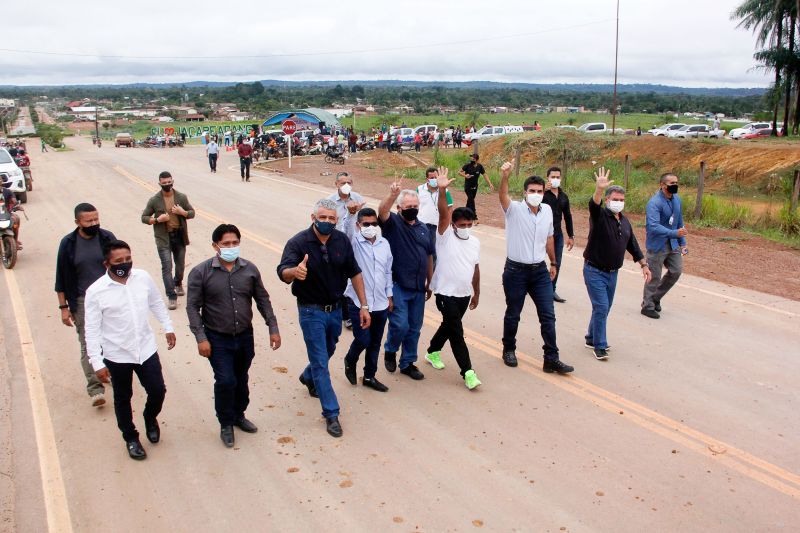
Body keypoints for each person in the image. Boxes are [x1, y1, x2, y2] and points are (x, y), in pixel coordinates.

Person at [277, 199, 370, 438]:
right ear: (313, 218)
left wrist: (364, 305)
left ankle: (307, 376)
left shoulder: (341, 241)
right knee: (320, 361)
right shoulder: (298, 243)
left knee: (329, 348)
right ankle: (331, 413)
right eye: (322, 217)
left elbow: (355, 272)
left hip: (336, 310)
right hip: (311, 311)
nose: (327, 222)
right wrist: (294, 272)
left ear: (336, 220)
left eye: (331, 218)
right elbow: (283, 272)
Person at [187, 224, 281, 448]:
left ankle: (239, 414)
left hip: (244, 336)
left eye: (235, 243)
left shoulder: (249, 269)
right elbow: (192, 307)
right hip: (217, 338)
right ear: (215, 246)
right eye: (226, 244)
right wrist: (201, 338)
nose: (231, 247)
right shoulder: (201, 272)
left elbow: (262, 299)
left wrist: (273, 327)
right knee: (226, 380)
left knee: (241, 378)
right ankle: (226, 423)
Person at [84, 240, 175, 460]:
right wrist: (97, 362)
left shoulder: (142, 278)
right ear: (107, 263)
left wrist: (168, 327)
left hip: (146, 349)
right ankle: (131, 438)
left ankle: (150, 417)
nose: (124, 264)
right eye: (118, 261)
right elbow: (92, 330)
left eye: (127, 259)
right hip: (117, 355)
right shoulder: (95, 292)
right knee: (123, 398)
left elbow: (156, 303)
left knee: (157, 390)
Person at [498, 160, 574, 374]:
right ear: (524, 192)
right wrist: (505, 177)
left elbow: (549, 237)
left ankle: (551, 358)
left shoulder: (548, 210)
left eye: (539, 191)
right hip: (516, 271)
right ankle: (508, 349)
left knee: (548, 315)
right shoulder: (514, 210)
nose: (536, 194)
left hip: (539, 270)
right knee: (514, 312)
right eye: (532, 190)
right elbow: (502, 196)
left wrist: (553, 262)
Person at [583, 168, 651, 360]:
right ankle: (600, 345)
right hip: (594, 270)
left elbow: (632, 244)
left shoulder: (624, 221)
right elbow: (593, 205)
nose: (618, 203)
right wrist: (598, 188)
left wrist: (644, 264)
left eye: (622, 200)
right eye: (615, 199)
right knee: (602, 306)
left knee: (603, 307)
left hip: (613, 273)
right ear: (606, 200)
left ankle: (590, 336)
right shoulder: (600, 216)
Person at [423, 171, 482, 389]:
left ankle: (432, 351)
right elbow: (442, 214)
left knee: (449, 326)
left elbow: (475, 268)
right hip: (445, 293)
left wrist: (477, 292)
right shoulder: (444, 235)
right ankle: (468, 372)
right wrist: (441, 189)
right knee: (457, 332)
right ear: (454, 224)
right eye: (462, 224)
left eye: (469, 224)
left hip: (464, 294)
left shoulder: (475, 242)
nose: (466, 228)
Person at [55, 203, 116, 407]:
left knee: (112, 339)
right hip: (82, 301)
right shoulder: (68, 244)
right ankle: (95, 388)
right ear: (77, 222)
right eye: (89, 221)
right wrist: (64, 308)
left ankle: (113, 374)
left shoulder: (107, 238)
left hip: (109, 298)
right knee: (88, 343)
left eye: (96, 219)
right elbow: (61, 278)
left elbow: (120, 267)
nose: (94, 223)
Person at [378, 180, 434, 381]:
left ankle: (408, 362)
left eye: (415, 206)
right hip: (398, 284)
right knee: (400, 325)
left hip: (418, 287)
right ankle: (391, 349)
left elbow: (428, 255)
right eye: (408, 207)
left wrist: (430, 282)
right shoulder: (393, 224)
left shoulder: (423, 228)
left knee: (414, 328)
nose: (412, 210)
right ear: (399, 208)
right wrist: (392, 194)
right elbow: (382, 211)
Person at [340, 207, 393, 392]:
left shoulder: (384, 244)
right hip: (357, 301)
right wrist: (350, 213)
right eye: (366, 224)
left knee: (376, 342)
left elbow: (388, 271)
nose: (370, 227)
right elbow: (345, 230)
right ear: (359, 225)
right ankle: (350, 359)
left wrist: (389, 295)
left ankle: (369, 376)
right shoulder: (353, 242)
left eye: (374, 224)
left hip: (380, 302)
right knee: (363, 339)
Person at [141, 171, 195, 310]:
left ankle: (178, 283)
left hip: (179, 236)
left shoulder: (181, 197)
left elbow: (192, 213)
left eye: (169, 182)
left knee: (180, 265)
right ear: (159, 184)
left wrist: (182, 212)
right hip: (163, 237)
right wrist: (157, 220)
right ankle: (171, 296)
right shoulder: (154, 200)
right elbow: (144, 217)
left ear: (173, 181)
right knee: (166, 267)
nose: (167, 185)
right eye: (164, 183)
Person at [641, 173, 687, 319]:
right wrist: (674, 233)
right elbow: (653, 226)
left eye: (677, 182)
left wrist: (683, 242)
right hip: (657, 244)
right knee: (654, 276)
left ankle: (655, 297)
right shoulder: (654, 203)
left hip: (673, 243)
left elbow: (679, 222)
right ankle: (647, 306)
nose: (675, 185)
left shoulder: (677, 200)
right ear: (662, 185)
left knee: (676, 271)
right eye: (672, 183)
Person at [542, 166, 574, 303]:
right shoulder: (541, 194)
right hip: (541, 234)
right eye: (552, 177)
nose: (555, 179)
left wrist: (571, 236)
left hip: (557, 235)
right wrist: (543, 191)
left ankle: (551, 289)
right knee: (536, 260)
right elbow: (529, 205)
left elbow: (567, 216)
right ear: (547, 178)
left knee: (557, 262)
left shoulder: (563, 197)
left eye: (557, 177)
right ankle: (531, 285)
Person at [416, 167, 454, 262]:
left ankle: (432, 274)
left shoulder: (444, 191)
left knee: (434, 254)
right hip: (421, 226)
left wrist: (448, 224)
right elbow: (415, 206)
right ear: (427, 179)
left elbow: (449, 208)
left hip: (436, 227)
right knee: (420, 251)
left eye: (435, 177)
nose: (434, 180)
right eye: (431, 178)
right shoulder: (420, 189)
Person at [459, 154, 494, 220]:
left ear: (477, 160)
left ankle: (465, 214)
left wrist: (490, 183)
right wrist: (465, 176)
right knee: (471, 201)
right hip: (468, 186)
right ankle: (474, 218)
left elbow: (485, 175)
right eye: (471, 159)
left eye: (473, 159)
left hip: (475, 186)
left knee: (470, 201)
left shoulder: (480, 166)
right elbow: (459, 172)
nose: (472, 160)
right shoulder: (467, 165)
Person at [1, 177, 22, 250]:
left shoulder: (7, 191)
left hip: (5, 214)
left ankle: (15, 241)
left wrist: (17, 205)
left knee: (16, 218)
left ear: (1, 182)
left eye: (0, 180)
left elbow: (14, 201)